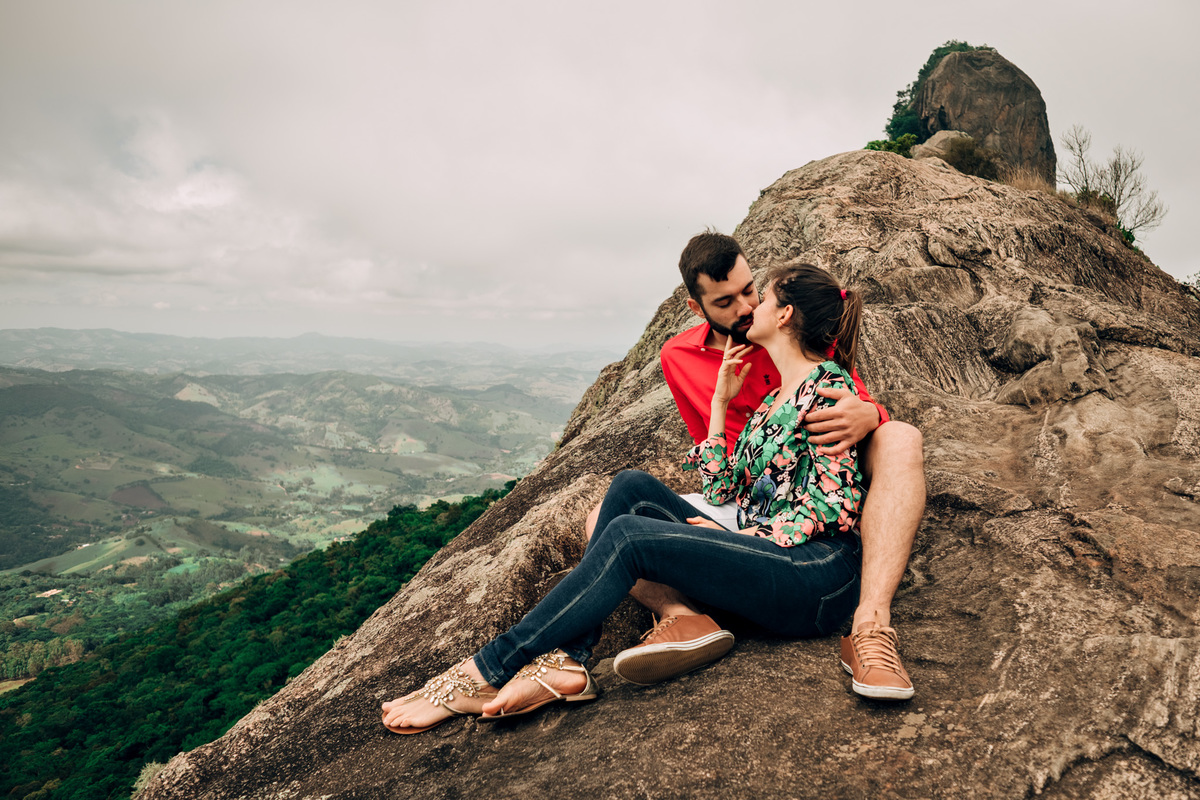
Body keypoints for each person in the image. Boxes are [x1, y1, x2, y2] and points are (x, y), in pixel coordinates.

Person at [382, 263, 872, 733]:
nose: (751, 306)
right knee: (631, 486)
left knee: (629, 537)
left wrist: (746, 534)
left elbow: (838, 504)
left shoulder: (828, 390)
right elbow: (722, 490)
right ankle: (569, 661)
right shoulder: (774, 398)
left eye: (761, 297)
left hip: (817, 575)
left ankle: (487, 668)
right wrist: (721, 404)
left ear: (784, 314)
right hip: (767, 553)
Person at [584, 231, 924, 700]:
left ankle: (870, 625)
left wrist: (872, 413)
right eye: (726, 301)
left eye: (750, 291)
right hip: (748, 488)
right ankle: (681, 618)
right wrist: (722, 409)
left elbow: (841, 398)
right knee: (602, 514)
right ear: (695, 306)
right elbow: (713, 453)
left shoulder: (784, 331)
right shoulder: (678, 358)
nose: (744, 307)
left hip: (810, 485)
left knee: (901, 437)